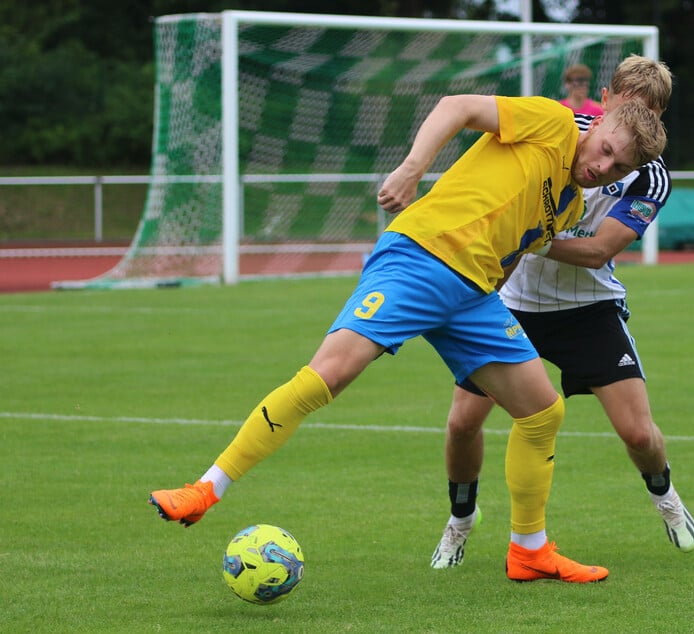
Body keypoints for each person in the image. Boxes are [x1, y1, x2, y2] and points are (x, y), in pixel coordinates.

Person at [149, 93, 667, 585]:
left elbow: (514, 252)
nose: (604, 167)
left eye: (618, 167)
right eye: (605, 150)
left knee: (542, 410)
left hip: (474, 296)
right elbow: (456, 107)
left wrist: (497, 310)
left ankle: (529, 550)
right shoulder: (552, 122)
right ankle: (204, 489)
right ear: (596, 124)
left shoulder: (571, 207)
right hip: (419, 258)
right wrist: (412, 169)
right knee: (329, 374)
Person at [430, 54, 694, 573]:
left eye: (652, 113)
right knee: (462, 423)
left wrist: (530, 236)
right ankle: (461, 520)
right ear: (608, 98)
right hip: (513, 305)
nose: (637, 123)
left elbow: (599, 250)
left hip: (588, 308)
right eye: (630, 106)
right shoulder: (556, 128)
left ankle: (664, 496)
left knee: (639, 435)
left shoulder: (651, 176)